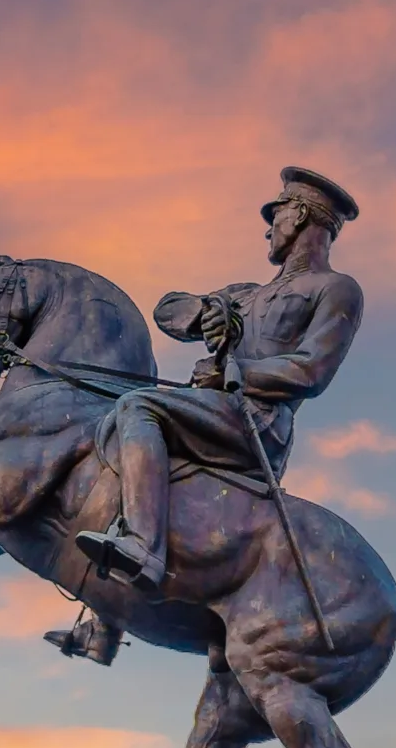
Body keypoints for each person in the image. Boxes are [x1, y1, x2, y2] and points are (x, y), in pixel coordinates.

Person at [74, 165, 364, 595]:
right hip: (216, 412)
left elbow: (313, 369)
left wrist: (231, 372)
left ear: (300, 215)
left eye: (275, 215)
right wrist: (206, 310)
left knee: (139, 405)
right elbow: (167, 310)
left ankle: (143, 549)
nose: (267, 229)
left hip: (259, 421)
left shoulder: (336, 288)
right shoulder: (245, 293)